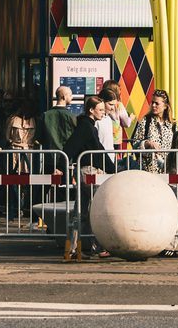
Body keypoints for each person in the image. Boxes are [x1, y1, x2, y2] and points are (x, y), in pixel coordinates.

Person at [64, 95, 111, 255]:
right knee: (97, 208)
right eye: (100, 110)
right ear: (91, 110)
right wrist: (112, 168)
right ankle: (99, 247)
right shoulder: (86, 127)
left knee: (81, 210)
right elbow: (73, 145)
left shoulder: (86, 125)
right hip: (89, 171)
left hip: (84, 169)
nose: (103, 113)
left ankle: (72, 249)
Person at [131, 88, 176, 172]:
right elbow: (135, 144)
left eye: (157, 103)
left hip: (167, 171)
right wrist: (147, 143)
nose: (153, 105)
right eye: (152, 102)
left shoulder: (173, 125)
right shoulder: (146, 121)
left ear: (165, 106)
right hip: (148, 171)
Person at [40, 86, 76, 156]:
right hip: (66, 156)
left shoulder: (45, 115)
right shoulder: (71, 116)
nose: (72, 97)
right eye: (70, 95)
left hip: (48, 157)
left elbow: (39, 137)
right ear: (64, 97)